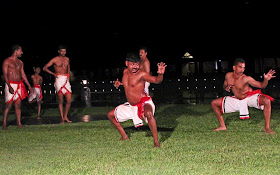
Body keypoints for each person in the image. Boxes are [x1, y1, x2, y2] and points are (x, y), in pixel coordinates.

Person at [107, 52, 167, 147]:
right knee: (110, 115)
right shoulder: (125, 72)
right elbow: (130, 85)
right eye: (132, 64)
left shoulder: (142, 74)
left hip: (144, 102)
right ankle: (124, 137)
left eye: (137, 64)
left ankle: (156, 142)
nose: (135, 66)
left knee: (148, 113)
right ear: (126, 63)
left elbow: (156, 80)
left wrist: (160, 73)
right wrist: (119, 84)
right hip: (131, 106)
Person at [211, 58, 276, 134]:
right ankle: (222, 126)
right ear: (234, 67)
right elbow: (224, 86)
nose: (242, 70)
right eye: (240, 67)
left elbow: (262, 86)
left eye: (244, 68)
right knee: (214, 103)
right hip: (237, 99)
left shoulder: (246, 78)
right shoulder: (228, 76)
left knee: (266, 100)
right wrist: (226, 88)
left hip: (248, 97)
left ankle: (267, 128)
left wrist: (266, 80)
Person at [2, 45, 33, 129]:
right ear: (16, 51)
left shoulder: (20, 62)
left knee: (18, 105)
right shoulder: (7, 61)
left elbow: (23, 74)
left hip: (19, 84)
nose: (22, 53)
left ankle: (19, 123)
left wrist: (29, 86)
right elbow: (5, 74)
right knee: (9, 105)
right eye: (20, 51)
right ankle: (4, 123)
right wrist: (9, 86)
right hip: (11, 83)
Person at [43, 45, 72, 124]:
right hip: (59, 78)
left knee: (69, 100)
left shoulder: (67, 59)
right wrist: (53, 74)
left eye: (64, 51)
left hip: (66, 79)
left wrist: (68, 76)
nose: (63, 53)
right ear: (59, 51)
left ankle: (65, 116)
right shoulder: (55, 59)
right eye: (62, 51)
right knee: (61, 100)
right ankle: (62, 118)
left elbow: (68, 67)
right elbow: (45, 68)